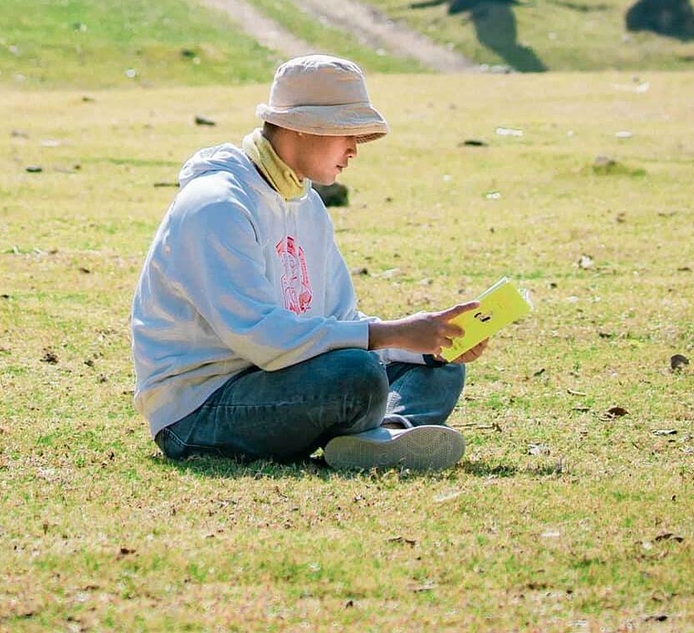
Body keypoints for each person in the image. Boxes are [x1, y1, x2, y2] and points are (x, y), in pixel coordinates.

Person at [130, 53, 488, 471]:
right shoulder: (216, 204)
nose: (355, 149)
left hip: (287, 379)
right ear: (301, 127)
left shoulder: (307, 204)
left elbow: (338, 319)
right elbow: (262, 339)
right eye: (347, 133)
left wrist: (428, 342)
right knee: (356, 374)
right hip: (202, 408)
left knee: (440, 367)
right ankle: (375, 432)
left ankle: (386, 435)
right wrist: (396, 334)